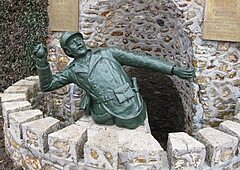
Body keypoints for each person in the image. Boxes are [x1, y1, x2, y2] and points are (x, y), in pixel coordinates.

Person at [33, 32, 195, 129]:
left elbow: (142, 60)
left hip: (129, 104)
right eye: (73, 44)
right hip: (102, 112)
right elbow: (48, 85)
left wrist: (173, 69)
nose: (78, 43)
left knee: (133, 124)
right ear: (68, 51)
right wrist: (41, 61)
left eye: (78, 40)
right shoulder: (72, 70)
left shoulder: (108, 53)